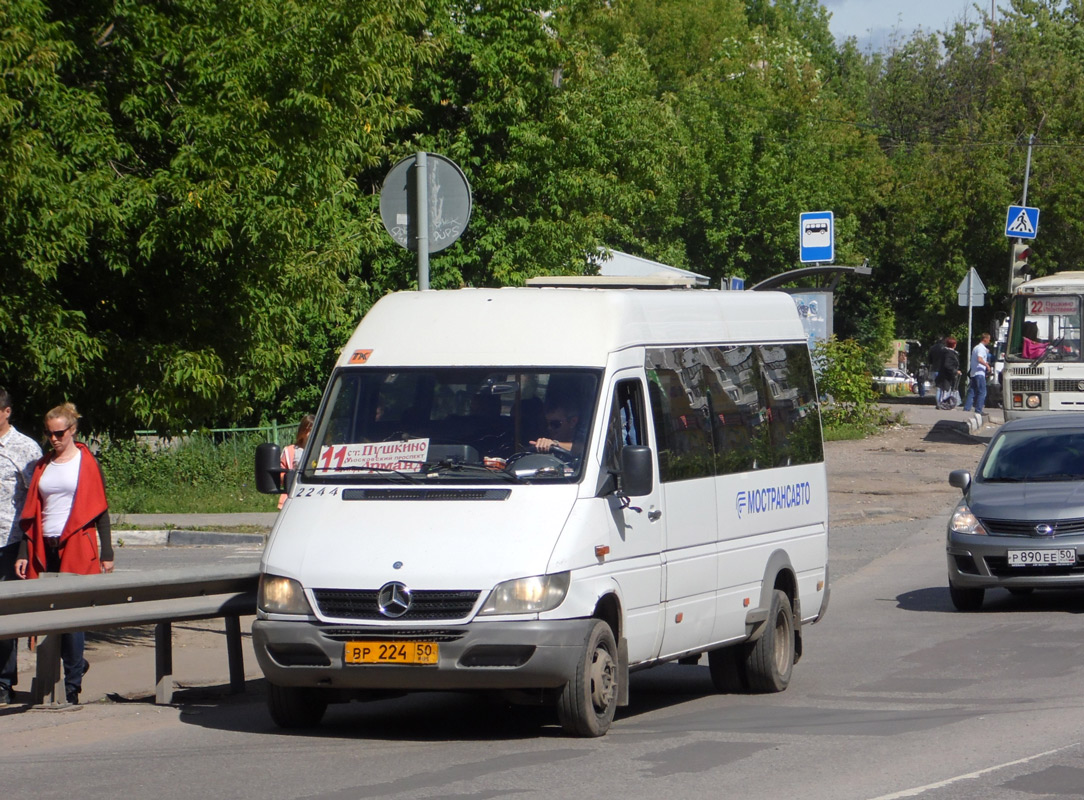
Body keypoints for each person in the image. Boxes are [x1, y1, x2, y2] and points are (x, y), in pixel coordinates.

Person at [15, 403, 113, 705]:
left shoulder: (86, 463)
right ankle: (72, 668)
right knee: (47, 617)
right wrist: (22, 552)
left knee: (72, 620)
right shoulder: (43, 466)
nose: (54, 439)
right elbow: (31, 514)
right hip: (45, 547)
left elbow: (100, 510)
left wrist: (107, 551)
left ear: (72, 431)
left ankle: (72, 686)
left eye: (59, 433)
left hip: (77, 546)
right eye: (49, 434)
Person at [0, 388, 43, 706]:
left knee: (4, 616)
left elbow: (34, 502)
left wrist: (25, 550)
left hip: (8, 542)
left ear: (6, 412)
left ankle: (3, 682)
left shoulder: (24, 448)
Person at [279, 414, 314, 509]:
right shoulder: (290, 451)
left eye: (314, 431)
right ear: (302, 432)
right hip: (294, 494)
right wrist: (286, 478)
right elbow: (281, 472)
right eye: (308, 431)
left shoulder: (323, 451)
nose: (311, 434)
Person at [963, 333, 992, 415]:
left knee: (972, 391)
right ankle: (978, 410)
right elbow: (979, 359)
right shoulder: (981, 348)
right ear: (985, 339)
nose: (989, 342)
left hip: (974, 372)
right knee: (982, 392)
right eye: (988, 340)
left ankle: (966, 408)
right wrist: (987, 366)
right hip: (979, 373)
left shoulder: (976, 347)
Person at [936, 337, 961, 410]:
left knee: (945, 390)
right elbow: (947, 365)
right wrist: (955, 371)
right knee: (945, 391)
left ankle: (943, 404)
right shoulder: (949, 353)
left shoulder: (945, 352)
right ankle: (944, 405)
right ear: (954, 345)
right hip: (946, 376)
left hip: (945, 375)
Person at [928, 337, 946, 405]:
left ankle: (938, 402)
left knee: (937, 387)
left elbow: (929, 360)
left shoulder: (932, 348)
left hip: (934, 369)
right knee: (942, 387)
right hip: (942, 370)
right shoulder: (944, 349)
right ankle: (941, 402)